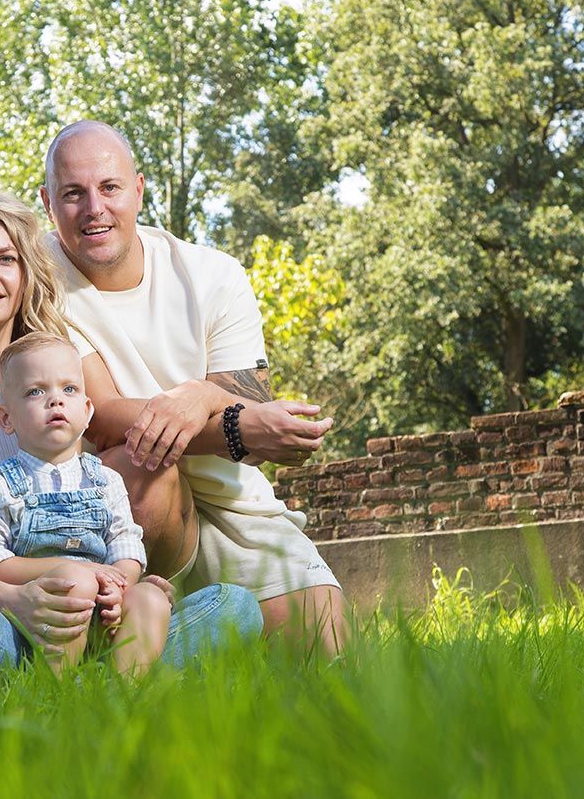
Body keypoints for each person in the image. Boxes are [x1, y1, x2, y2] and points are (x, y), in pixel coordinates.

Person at [0, 190, 261, 668]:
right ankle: (48, 685)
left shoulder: (61, 372)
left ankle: (103, 687)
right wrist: (11, 600)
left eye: (5, 259)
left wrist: (122, 584)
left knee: (234, 608)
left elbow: (103, 475)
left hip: (80, 613)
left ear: (25, 272)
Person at [39, 120, 350, 656]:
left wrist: (202, 397)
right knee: (140, 466)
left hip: (231, 500)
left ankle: (181, 644)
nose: (94, 208)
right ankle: (123, 637)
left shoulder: (212, 274)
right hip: (122, 504)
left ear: (138, 189)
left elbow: (246, 393)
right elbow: (104, 415)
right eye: (73, 194)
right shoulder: (38, 277)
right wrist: (236, 426)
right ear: (48, 202)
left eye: (109, 188)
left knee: (328, 651)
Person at [0, 331, 171, 676]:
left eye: (69, 389)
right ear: (6, 418)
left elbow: (126, 545)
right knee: (75, 581)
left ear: (87, 411)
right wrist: (81, 571)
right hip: (37, 620)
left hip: (105, 618)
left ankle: (126, 697)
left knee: (151, 597)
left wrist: (120, 587)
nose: (55, 400)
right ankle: (54, 689)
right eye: (35, 391)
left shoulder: (104, 480)